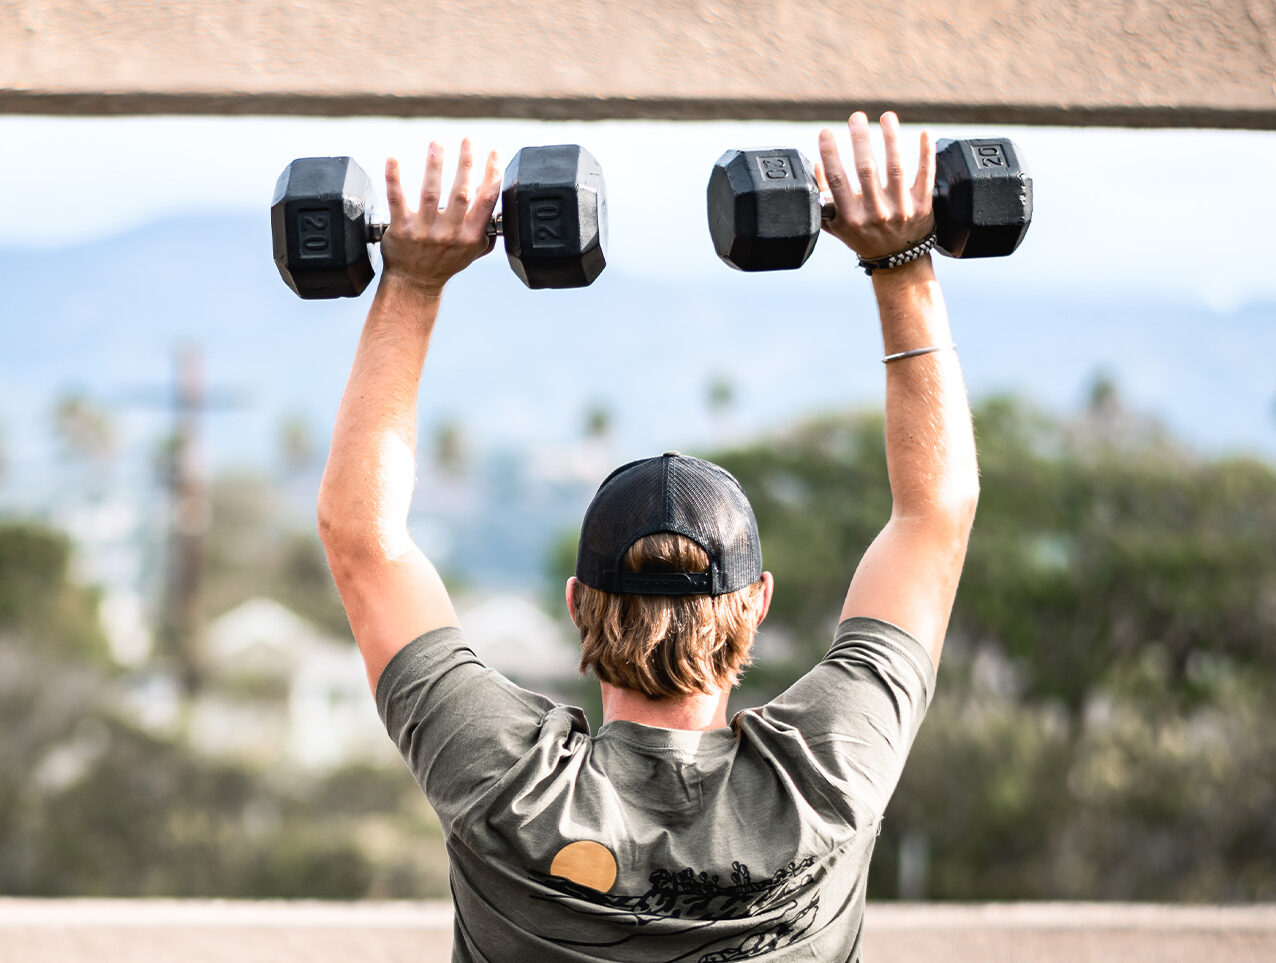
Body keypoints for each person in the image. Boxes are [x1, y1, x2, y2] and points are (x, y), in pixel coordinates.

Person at [317, 111, 979, 962]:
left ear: (576, 605)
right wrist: (902, 262)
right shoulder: (825, 779)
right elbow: (934, 515)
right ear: (757, 604)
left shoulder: (509, 786)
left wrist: (411, 281)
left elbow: (362, 537)